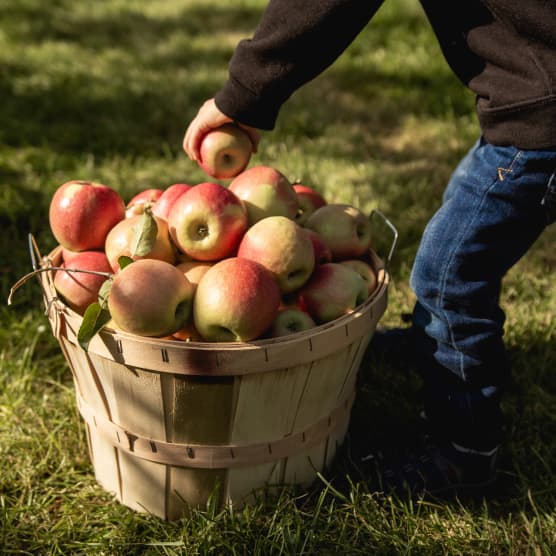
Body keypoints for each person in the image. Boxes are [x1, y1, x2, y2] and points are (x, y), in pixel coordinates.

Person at [183, 1, 556, 499]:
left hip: (540, 122)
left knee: (449, 279)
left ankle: (465, 454)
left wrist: (244, 94)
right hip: (527, 107)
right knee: (461, 218)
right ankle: (435, 342)